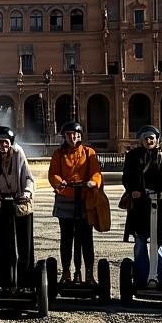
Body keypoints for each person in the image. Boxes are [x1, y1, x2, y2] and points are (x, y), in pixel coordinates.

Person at [48, 120, 102, 285]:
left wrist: (93, 182)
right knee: (66, 237)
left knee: (86, 237)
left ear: (80, 135)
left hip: (84, 198)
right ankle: (66, 272)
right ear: (64, 136)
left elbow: (96, 172)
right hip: (66, 196)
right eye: (69, 134)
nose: (72, 137)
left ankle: (89, 274)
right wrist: (59, 182)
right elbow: (53, 173)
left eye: (75, 134)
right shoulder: (58, 153)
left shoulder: (88, 151)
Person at [122, 125, 162, 280]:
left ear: (157, 140)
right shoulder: (133, 156)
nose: (149, 141)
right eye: (146, 138)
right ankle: (141, 275)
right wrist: (133, 190)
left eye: (151, 138)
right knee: (140, 240)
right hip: (139, 205)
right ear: (141, 140)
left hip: (159, 204)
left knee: (159, 241)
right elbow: (127, 177)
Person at [0, 126, 36, 276]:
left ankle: (26, 274)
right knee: (3, 240)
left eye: (6, 142)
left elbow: (28, 177)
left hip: (20, 202)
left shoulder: (18, 156)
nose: (3, 145)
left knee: (24, 240)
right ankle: (4, 274)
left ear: (11, 143)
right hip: (3, 203)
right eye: (0, 142)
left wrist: (27, 192)